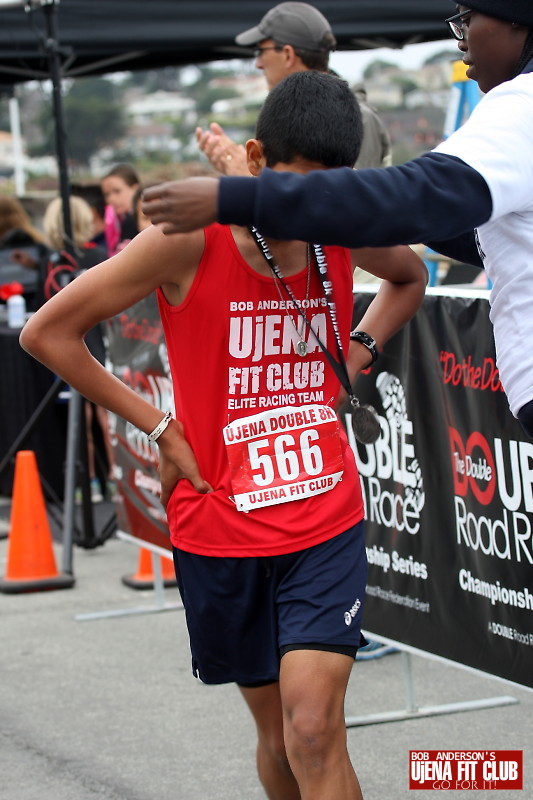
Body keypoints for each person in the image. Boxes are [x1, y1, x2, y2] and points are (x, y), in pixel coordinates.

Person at [21, 72, 427, 800]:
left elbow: (409, 276)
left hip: (323, 514)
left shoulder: (339, 224)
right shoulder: (185, 242)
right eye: (294, 189)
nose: (306, 213)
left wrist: (356, 353)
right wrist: (160, 427)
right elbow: (47, 333)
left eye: (324, 194)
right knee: (276, 738)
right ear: (256, 158)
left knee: (313, 729)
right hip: (220, 522)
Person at [142, 1, 533, 441]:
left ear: (515, 16)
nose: (459, 38)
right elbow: (470, 230)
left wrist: (236, 196)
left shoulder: (521, 104)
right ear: (256, 157)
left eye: (467, 18)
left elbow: (417, 202)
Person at [195, 1, 391, 176]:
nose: (258, 64)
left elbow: (345, 199)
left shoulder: (355, 118)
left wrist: (245, 173)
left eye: (261, 51)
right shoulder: (306, 112)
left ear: (288, 54)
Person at [43, 195, 116, 502]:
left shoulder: (54, 260)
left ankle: (96, 480)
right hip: (95, 338)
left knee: (88, 415)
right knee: (102, 413)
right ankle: (111, 478)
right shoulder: (93, 255)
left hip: (76, 341)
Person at [100, 163, 140, 256]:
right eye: (107, 195)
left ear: (135, 188)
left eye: (117, 191)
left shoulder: (134, 221)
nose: (111, 199)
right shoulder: (116, 224)